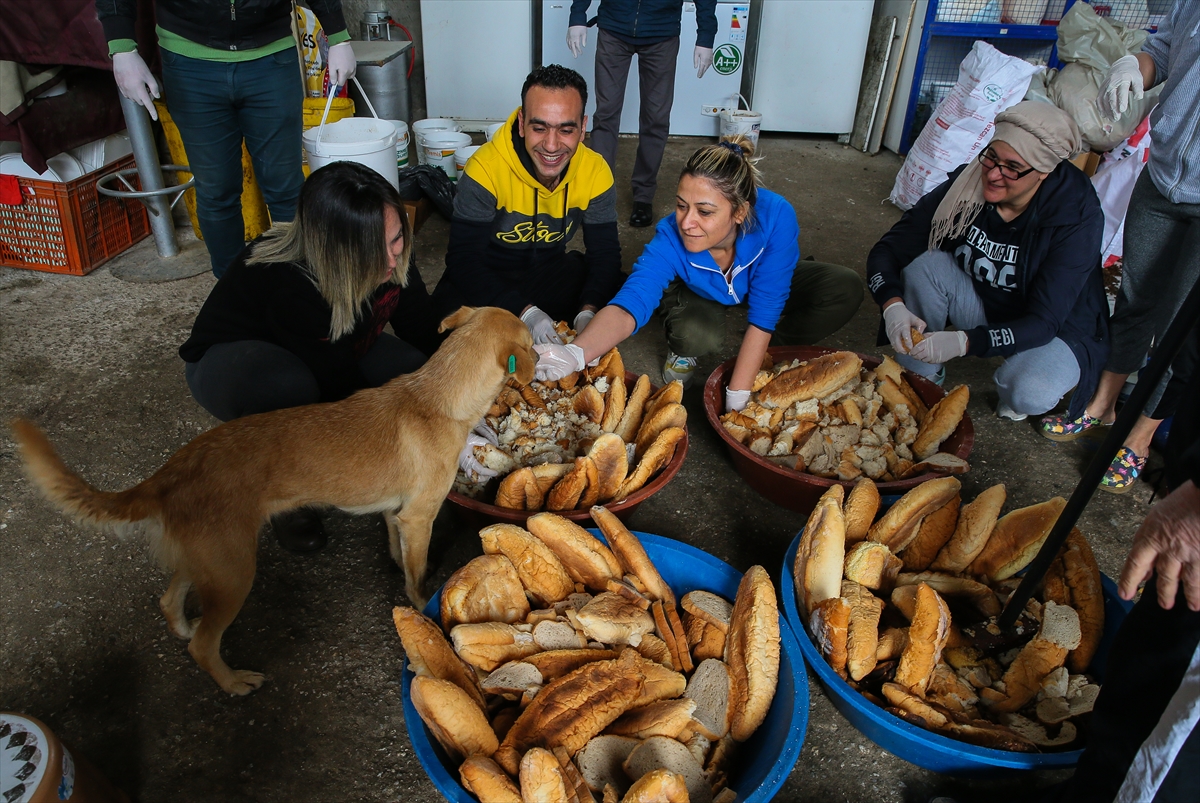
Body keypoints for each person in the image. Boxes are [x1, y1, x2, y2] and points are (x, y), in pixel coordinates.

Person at [179, 161, 443, 553]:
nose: (392, 259)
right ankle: (283, 497)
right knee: (289, 388)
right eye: (375, 249)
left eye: (395, 239)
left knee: (415, 372)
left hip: (337, 343)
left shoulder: (392, 253)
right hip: (236, 364)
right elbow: (338, 391)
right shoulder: (288, 280)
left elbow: (424, 328)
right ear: (335, 251)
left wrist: (473, 390)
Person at [530, 136, 863, 403]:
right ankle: (692, 344)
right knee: (696, 335)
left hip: (757, 279)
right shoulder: (669, 237)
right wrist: (576, 353)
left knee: (843, 287)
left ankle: (768, 353)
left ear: (739, 212)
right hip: (698, 287)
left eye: (704, 212)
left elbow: (767, 309)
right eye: (680, 205)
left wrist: (737, 396)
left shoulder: (776, 217)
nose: (686, 222)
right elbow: (632, 300)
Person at [1039, 0, 1200, 494]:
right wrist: (1135, 65)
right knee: (1134, 299)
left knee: (1178, 328)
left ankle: (1138, 439)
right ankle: (1102, 405)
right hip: (1163, 174)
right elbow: (1164, 48)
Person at [867, 100, 1108, 424]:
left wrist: (966, 342)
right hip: (989, 300)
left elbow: (1044, 320)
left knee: (1029, 390)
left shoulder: (1075, 215)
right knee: (924, 267)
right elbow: (888, 249)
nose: (993, 174)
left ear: (1043, 172)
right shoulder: (967, 186)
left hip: (1057, 325)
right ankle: (919, 378)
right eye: (991, 157)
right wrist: (892, 305)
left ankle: (1018, 388)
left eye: (1011, 167)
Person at [96, 0, 356, 278]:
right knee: (216, 191)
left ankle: (297, 286)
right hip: (189, 63)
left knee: (286, 189)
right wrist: (122, 46)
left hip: (270, 59)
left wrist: (338, 35)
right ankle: (231, 290)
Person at [431, 64, 622, 345]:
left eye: (566, 129)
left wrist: (588, 310)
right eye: (539, 127)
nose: (552, 145)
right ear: (522, 124)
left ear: (583, 127)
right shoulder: (485, 169)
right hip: (487, 275)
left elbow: (605, 255)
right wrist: (526, 312)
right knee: (437, 330)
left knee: (617, 290)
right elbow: (463, 260)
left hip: (548, 271)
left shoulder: (596, 171)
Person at [566, 0, 717, 228]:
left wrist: (706, 35)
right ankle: (598, 193)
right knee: (606, 115)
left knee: (656, 118)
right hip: (614, 28)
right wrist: (578, 14)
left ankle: (643, 196)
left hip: (662, 33)